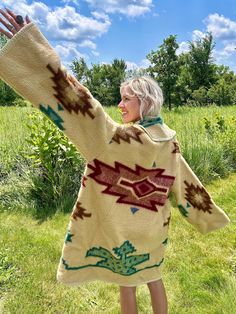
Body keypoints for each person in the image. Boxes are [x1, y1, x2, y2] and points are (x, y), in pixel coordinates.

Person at [0, 8, 230, 314]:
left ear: (144, 102)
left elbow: (77, 101)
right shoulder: (168, 139)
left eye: (126, 99)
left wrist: (30, 45)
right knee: (154, 275)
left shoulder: (115, 139)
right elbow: (186, 182)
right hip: (154, 227)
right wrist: (209, 215)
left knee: (127, 282)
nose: (120, 105)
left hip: (124, 228)